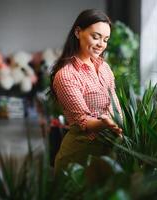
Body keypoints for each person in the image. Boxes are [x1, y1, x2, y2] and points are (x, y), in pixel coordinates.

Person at [50, 9, 123, 174]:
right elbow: (84, 122)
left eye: (105, 39)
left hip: (108, 151)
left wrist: (120, 120)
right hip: (80, 154)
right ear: (78, 32)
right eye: (95, 37)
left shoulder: (104, 67)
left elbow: (115, 101)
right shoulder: (66, 75)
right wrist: (106, 122)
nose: (101, 44)